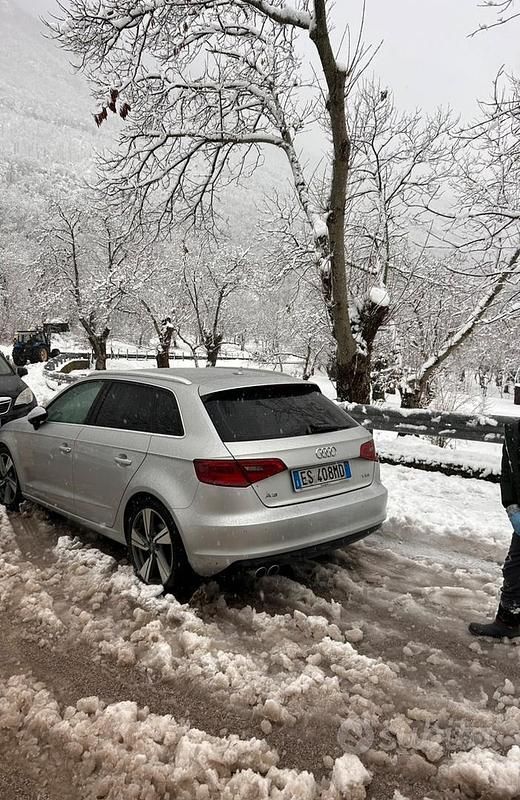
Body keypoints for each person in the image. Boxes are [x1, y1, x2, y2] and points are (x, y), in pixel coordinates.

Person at [469, 420, 520, 638]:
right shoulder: (514, 430)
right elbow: (507, 473)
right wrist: (511, 506)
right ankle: (509, 620)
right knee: (514, 568)